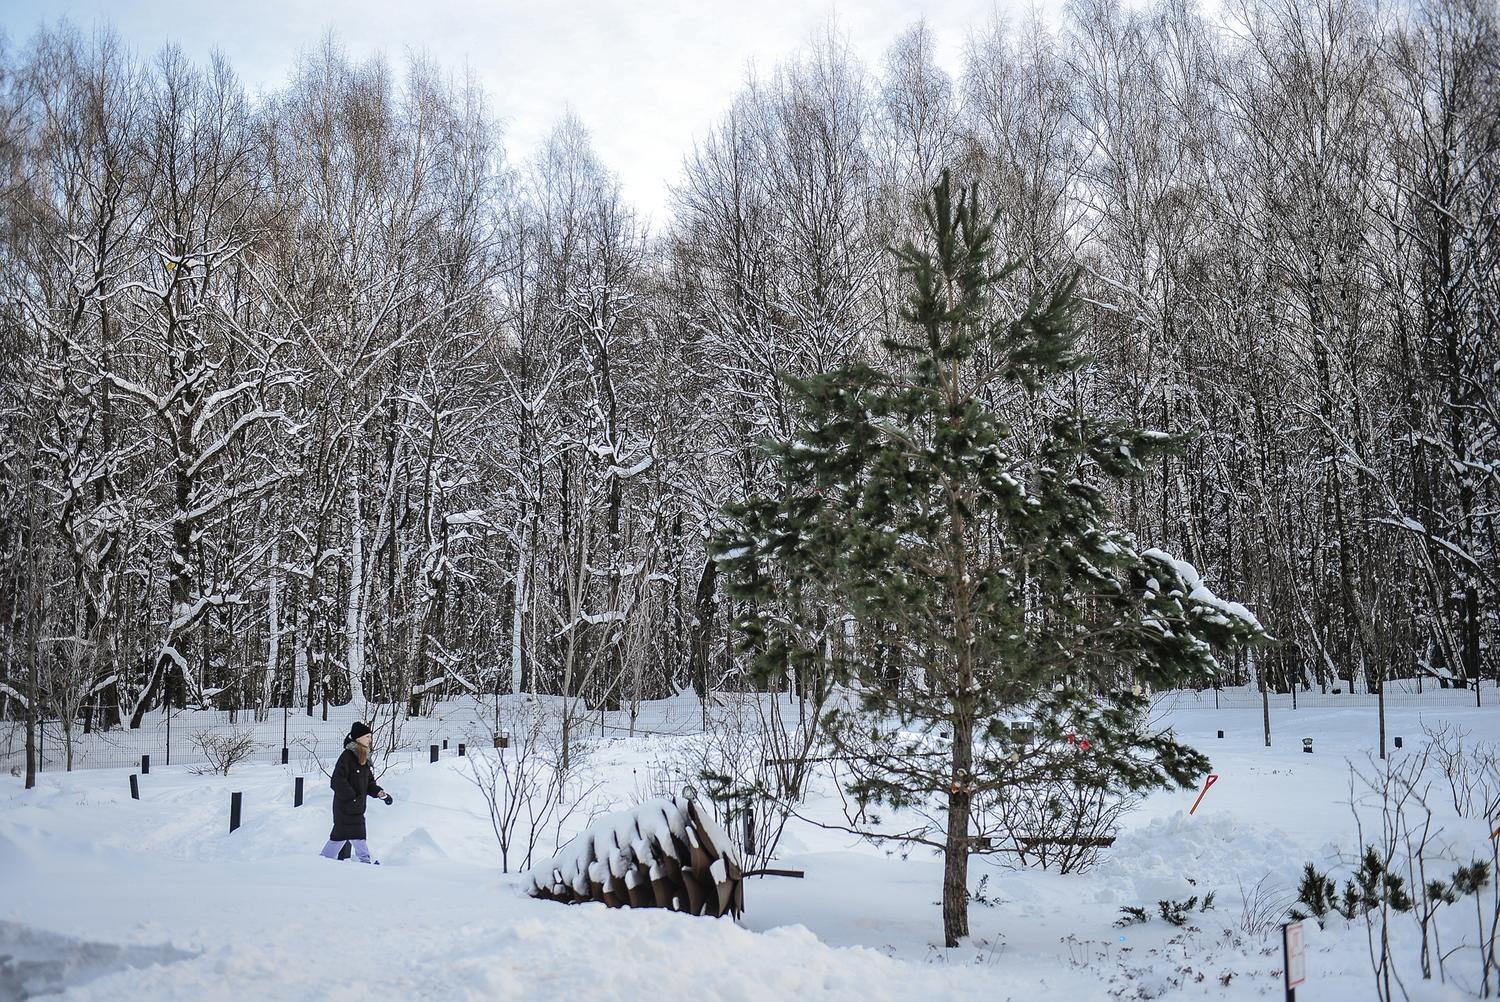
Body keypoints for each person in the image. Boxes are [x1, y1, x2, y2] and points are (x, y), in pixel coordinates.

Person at [319, 721, 392, 864]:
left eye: (370, 736)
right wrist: (352, 798)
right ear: (358, 738)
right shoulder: (347, 756)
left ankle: (323, 860)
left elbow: (369, 783)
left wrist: (380, 793)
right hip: (345, 807)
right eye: (367, 737)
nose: (370, 740)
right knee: (355, 835)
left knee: (341, 837)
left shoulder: (363, 757)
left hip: (356, 807)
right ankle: (365, 862)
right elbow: (336, 781)